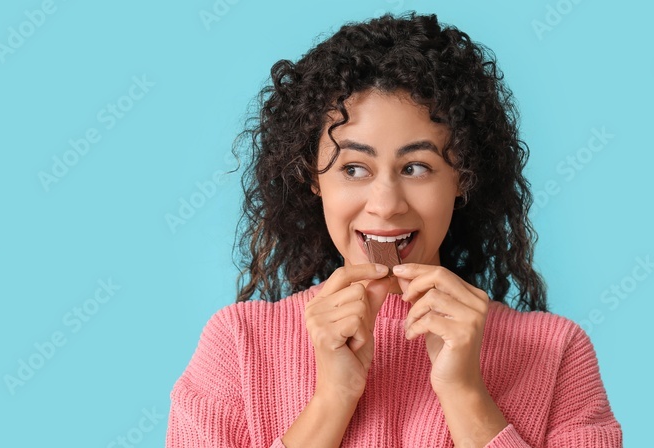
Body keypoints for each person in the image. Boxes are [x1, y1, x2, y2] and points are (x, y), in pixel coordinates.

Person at [165, 12, 623, 448]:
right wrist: (330, 403)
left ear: (462, 177)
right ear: (312, 175)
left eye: (417, 167)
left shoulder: (557, 353)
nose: (385, 205)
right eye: (354, 169)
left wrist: (466, 396)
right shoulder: (238, 345)